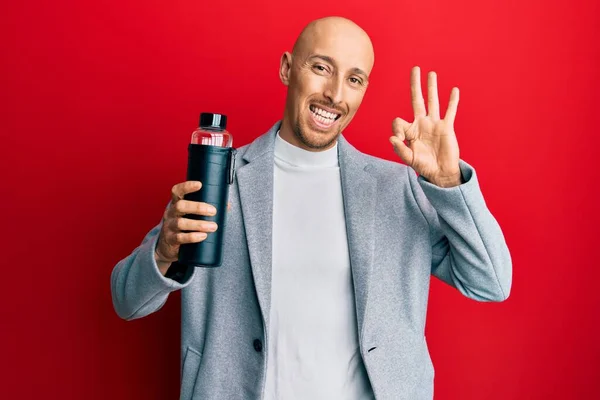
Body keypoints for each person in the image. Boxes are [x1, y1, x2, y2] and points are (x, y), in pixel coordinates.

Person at [111, 16, 512, 400]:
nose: (335, 94)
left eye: (354, 79)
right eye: (322, 67)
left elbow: (490, 281)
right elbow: (127, 300)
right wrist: (164, 253)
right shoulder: (220, 179)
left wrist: (448, 184)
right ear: (288, 68)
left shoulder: (398, 189)